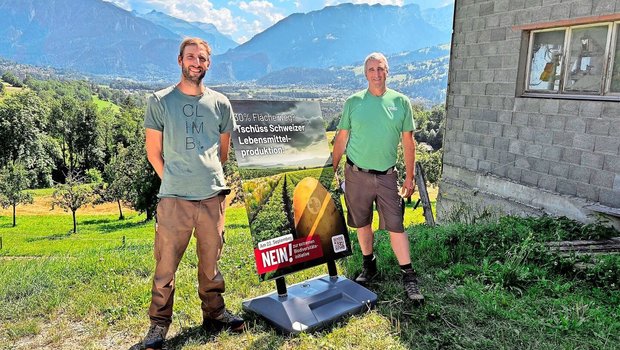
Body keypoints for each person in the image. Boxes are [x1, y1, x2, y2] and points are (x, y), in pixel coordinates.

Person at [142, 37, 243, 350]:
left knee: (211, 263)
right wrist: (174, 180)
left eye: (201, 58)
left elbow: (222, 153)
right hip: (174, 199)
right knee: (165, 266)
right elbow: (153, 152)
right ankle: (158, 326)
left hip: (212, 198)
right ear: (180, 60)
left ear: (208, 64)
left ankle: (214, 314)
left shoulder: (221, 103)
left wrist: (205, 178)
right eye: (190, 57)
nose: (196, 63)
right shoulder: (160, 101)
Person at [332, 52, 424, 303]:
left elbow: (408, 142)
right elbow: (341, 137)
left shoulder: (401, 102)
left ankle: (409, 276)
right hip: (356, 173)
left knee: (396, 224)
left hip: (387, 176)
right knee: (362, 223)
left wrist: (409, 177)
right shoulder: (353, 102)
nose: (376, 74)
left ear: (388, 71)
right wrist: (332, 167)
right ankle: (368, 264)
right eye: (371, 69)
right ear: (365, 74)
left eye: (380, 68)